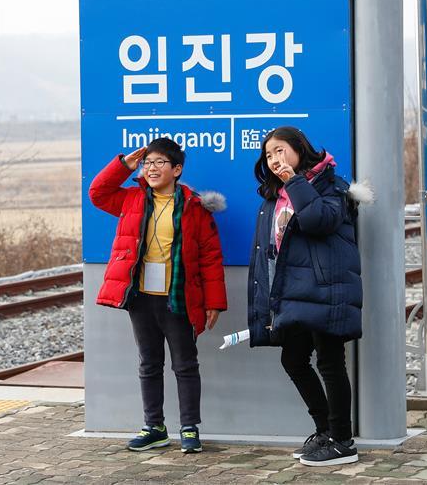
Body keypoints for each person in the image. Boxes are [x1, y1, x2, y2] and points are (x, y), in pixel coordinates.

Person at [89, 138, 227, 454]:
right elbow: (97, 193)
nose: (151, 168)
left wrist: (214, 302)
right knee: (149, 363)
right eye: (148, 162)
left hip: (177, 297)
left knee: (185, 364)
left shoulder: (194, 207)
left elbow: (210, 256)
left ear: (177, 169)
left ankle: (189, 429)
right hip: (140, 296)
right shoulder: (132, 199)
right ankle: (155, 427)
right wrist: (123, 164)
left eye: (160, 162)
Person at [247, 126, 370, 467]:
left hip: (327, 288)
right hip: (294, 292)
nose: (274, 159)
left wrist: (293, 181)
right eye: (269, 155)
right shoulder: (275, 196)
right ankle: (326, 431)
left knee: (330, 362)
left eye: (280, 151)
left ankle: (343, 441)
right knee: (294, 360)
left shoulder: (331, 185)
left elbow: (318, 220)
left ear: (300, 148)